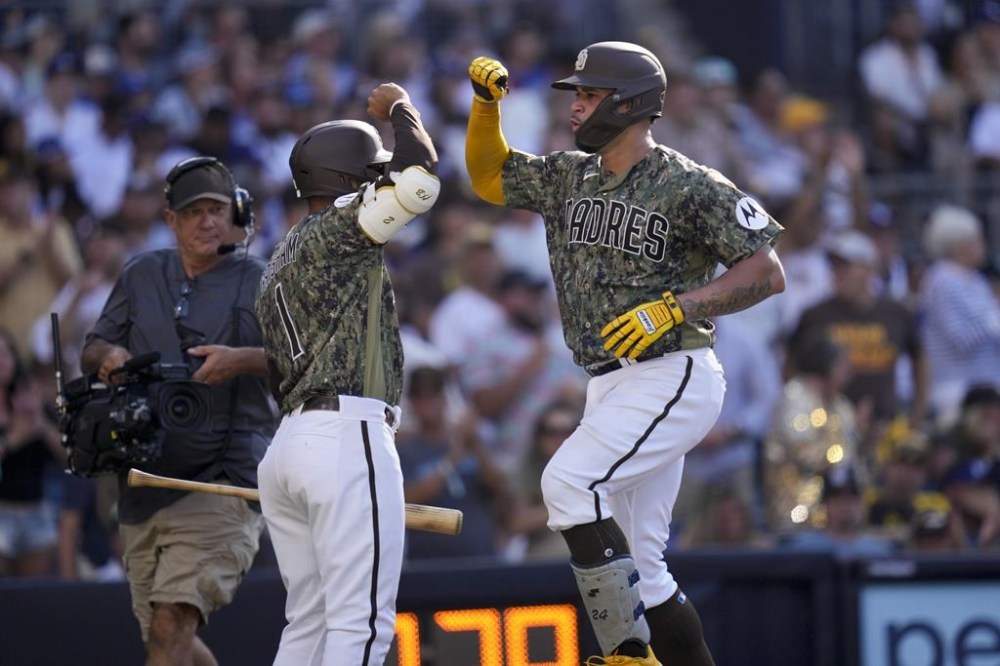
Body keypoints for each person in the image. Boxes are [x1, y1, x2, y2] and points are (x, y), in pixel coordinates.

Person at [465, 42, 786, 665]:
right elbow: (488, 176)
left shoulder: (688, 183)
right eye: (576, 95)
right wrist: (485, 109)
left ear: (631, 104)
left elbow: (767, 272)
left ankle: (627, 652)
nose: (576, 106)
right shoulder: (568, 175)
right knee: (643, 563)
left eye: (589, 94)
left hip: (673, 371)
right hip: (610, 383)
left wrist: (679, 306)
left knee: (566, 482)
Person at [255, 82, 440, 665]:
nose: (379, 181)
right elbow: (420, 183)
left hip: (289, 446)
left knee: (307, 623)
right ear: (343, 182)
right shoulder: (337, 229)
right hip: (344, 434)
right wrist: (401, 109)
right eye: (370, 173)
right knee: (362, 625)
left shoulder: (278, 258)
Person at [80, 156, 276, 665]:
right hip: (144, 483)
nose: (207, 221)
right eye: (194, 212)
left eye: (215, 209)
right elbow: (94, 346)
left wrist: (242, 360)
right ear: (171, 220)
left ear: (233, 213)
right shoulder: (142, 273)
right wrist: (110, 359)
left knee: (171, 624)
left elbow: (302, 365)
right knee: (171, 641)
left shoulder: (262, 280)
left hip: (223, 481)